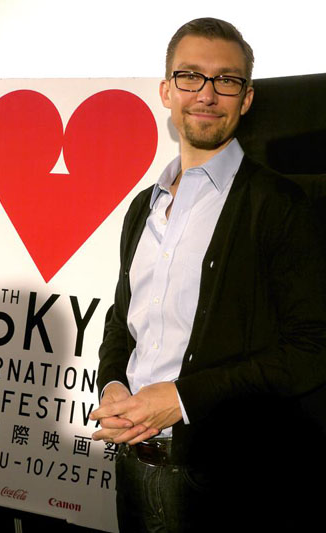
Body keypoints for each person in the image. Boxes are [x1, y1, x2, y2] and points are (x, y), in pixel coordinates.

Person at [90, 17, 326, 532]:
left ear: (246, 98)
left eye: (227, 80)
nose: (207, 93)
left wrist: (181, 399)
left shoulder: (279, 204)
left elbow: (312, 348)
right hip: (131, 466)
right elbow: (121, 318)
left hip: (226, 481)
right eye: (191, 76)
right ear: (166, 90)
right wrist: (112, 384)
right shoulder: (142, 208)